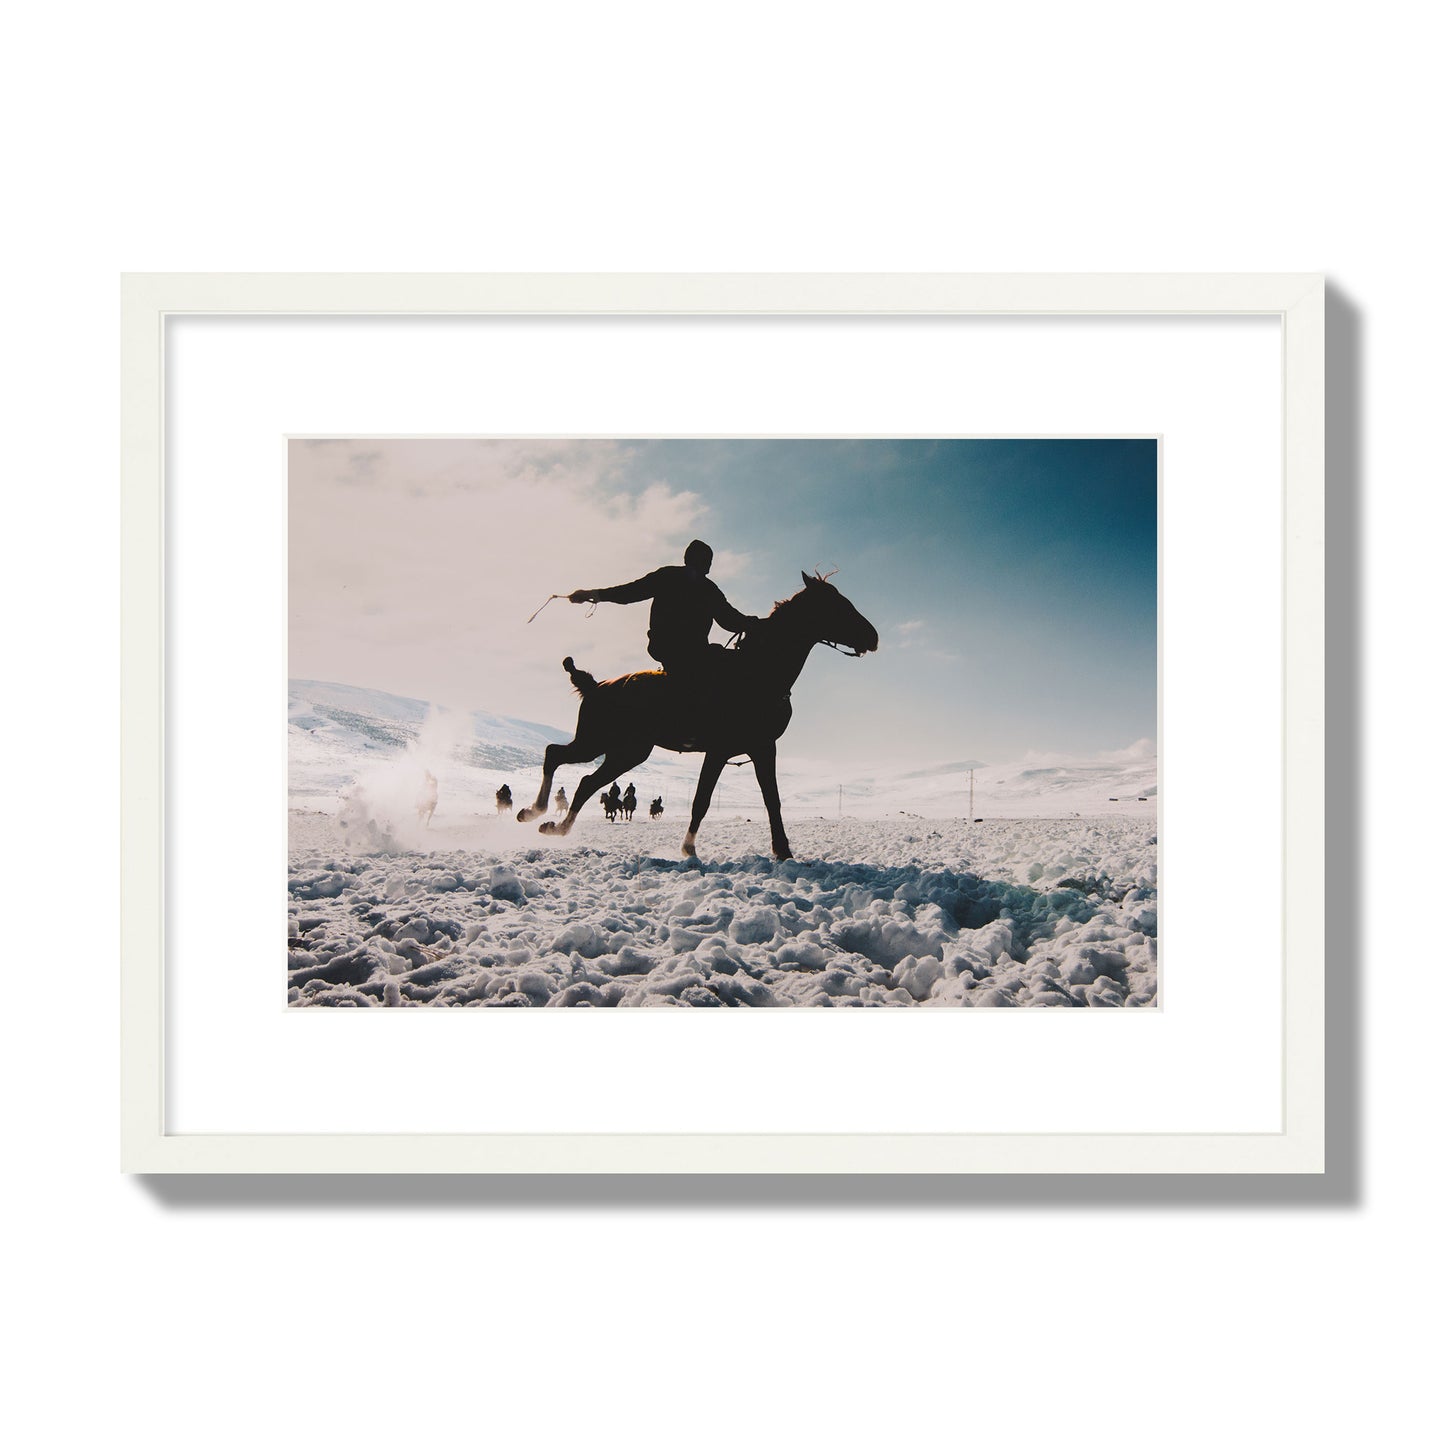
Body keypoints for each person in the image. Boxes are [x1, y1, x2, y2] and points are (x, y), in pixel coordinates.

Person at [569, 540, 760, 692]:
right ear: (692, 560)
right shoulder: (667, 577)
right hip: (668, 647)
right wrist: (593, 594)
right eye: (704, 561)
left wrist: (754, 624)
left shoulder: (710, 590)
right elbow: (630, 592)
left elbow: (728, 618)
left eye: (708, 562)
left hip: (697, 651)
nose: (707, 566)